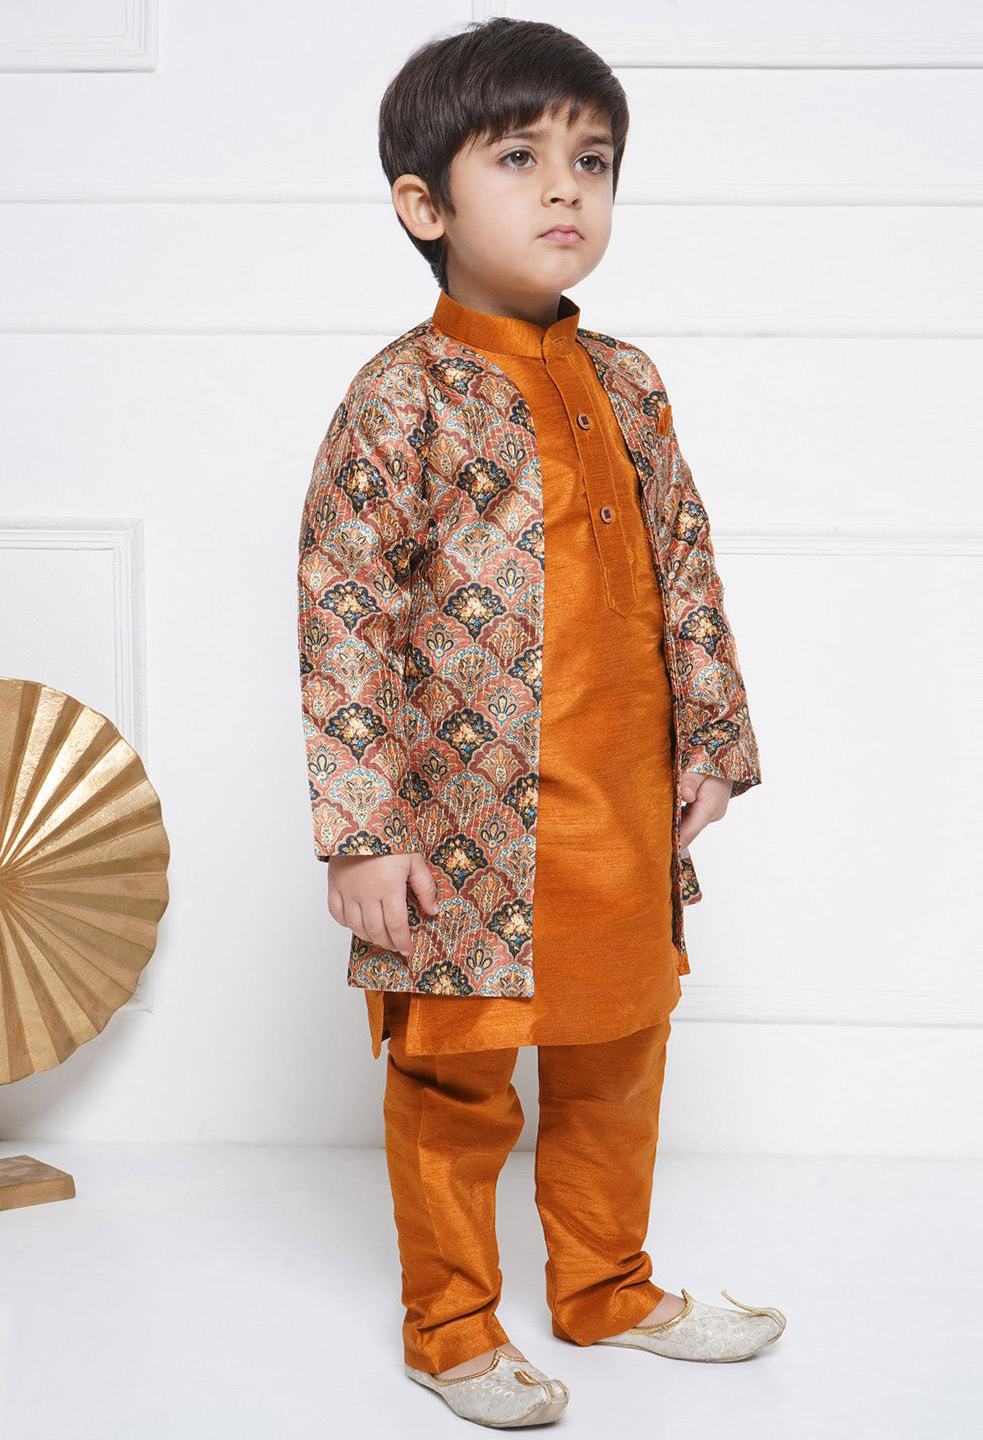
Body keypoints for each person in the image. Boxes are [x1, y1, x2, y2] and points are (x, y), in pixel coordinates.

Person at [297, 16, 786, 1428]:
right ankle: (450, 1326)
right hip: (459, 831)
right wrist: (362, 831)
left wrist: (712, 744)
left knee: (619, 1058)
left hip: (617, 812)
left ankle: (607, 1288)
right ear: (425, 205)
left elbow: (686, 565)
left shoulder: (628, 381)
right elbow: (342, 615)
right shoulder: (399, 399)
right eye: (519, 158)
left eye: (594, 160)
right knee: (456, 1079)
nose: (567, 187)